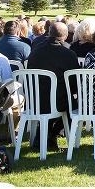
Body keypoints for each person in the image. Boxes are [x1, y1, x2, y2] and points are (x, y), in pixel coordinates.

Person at [26, 22, 79, 150]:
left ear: (49, 33)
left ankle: (44, 135)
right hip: (57, 101)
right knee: (77, 104)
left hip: (34, 100)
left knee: (52, 97)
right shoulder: (68, 54)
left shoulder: (35, 51)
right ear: (66, 36)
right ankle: (53, 133)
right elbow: (75, 83)